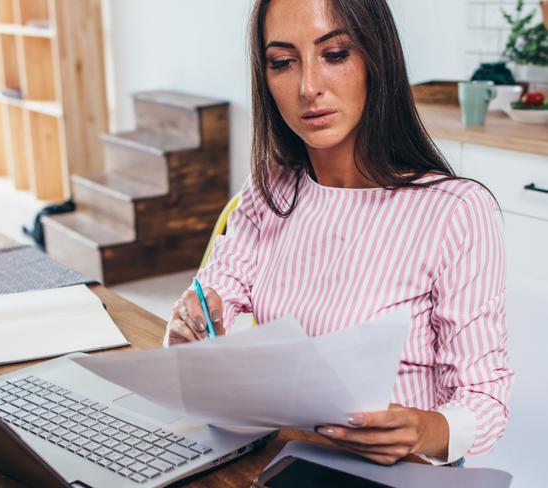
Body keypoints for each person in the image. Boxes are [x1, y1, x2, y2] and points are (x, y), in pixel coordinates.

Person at [164, 0, 513, 467]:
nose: (309, 87)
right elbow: (215, 296)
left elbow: (485, 398)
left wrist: (422, 430)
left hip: (398, 473)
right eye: (283, 63)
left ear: (376, 58)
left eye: (335, 54)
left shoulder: (456, 211)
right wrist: (192, 324)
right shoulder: (272, 186)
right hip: (282, 456)